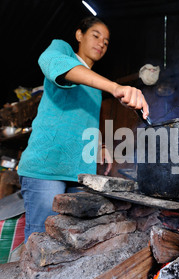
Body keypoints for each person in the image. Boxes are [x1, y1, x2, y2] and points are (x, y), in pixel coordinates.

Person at [17, 16, 149, 242]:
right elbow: (52, 63)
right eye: (96, 36)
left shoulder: (94, 87)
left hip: (80, 173)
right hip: (46, 169)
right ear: (80, 35)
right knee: (41, 243)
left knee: (71, 244)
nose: (101, 44)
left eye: (106, 42)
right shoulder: (63, 50)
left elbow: (86, 120)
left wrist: (101, 145)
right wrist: (116, 87)